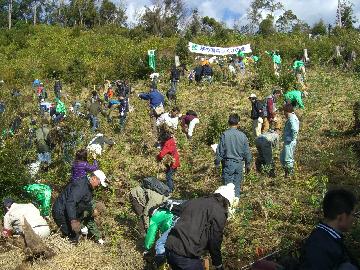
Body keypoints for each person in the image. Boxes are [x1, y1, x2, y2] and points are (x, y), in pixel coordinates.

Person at [165, 183, 236, 270]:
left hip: (170, 247)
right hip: (185, 254)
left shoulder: (196, 201)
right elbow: (215, 240)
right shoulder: (219, 212)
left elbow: (178, 209)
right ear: (227, 201)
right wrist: (218, 264)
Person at [300, 189, 359, 270]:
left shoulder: (328, 238)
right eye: (353, 214)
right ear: (342, 217)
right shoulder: (320, 245)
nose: (354, 219)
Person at [52, 170, 107, 244]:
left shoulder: (87, 187)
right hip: (61, 212)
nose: (98, 186)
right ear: (94, 178)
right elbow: (71, 203)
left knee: (75, 236)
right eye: (99, 183)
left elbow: (81, 212)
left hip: (67, 213)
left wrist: (98, 237)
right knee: (73, 238)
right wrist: (73, 221)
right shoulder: (81, 186)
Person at [215, 114, 252, 199]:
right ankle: (235, 207)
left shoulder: (224, 135)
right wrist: (248, 164)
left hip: (228, 164)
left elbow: (220, 151)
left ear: (228, 122)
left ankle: (227, 208)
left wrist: (217, 163)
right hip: (239, 164)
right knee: (237, 188)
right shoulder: (243, 136)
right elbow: (247, 152)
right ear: (238, 123)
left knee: (227, 188)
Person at [157, 127, 180, 192]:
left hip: (172, 163)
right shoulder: (171, 141)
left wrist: (158, 157)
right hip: (174, 161)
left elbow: (162, 154)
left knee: (168, 177)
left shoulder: (167, 144)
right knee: (169, 174)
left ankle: (170, 190)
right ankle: (170, 188)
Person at [280, 104, 299, 177]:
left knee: (288, 159)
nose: (283, 113)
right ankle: (287, 173)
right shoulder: (292, 117)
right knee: (283, 157)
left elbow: (294, 130)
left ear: (287, 111)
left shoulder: (292, 118)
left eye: (284, 112)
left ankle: (290, 175)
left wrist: (291, 138)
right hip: (288, 141)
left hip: (289, 142)